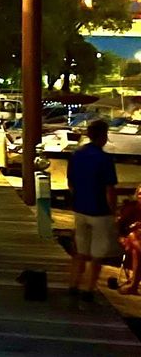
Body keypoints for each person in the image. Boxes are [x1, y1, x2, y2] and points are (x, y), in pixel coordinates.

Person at [67, 119, 118, 301]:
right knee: (97, 254)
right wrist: (114, 212)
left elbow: (71, 184)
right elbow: (109, 190)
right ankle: (88, 289)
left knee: (80, 251)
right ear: (103, 136)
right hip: (100, 212)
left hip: (80, 209)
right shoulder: (105, 159)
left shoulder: (76, 155)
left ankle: (73, 284)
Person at [117, 185, 141, 294]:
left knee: (136, 251)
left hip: (135, 244)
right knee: (133, 236)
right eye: (140, 193)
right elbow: (119, 228)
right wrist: (122, 238)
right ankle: (133, 285)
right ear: (136, 195)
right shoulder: (131, 208)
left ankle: (133, 285)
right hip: (128, 240)